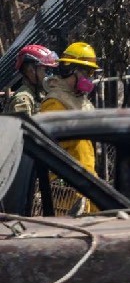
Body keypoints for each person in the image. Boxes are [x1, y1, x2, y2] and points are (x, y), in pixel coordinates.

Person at [39, 42, 100, 213]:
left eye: (91, 73)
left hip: (87, 182)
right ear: (69, 70)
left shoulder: (78, 100)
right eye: (85, 72)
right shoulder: (55, 103)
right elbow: (50, 150)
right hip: (66, 191)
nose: (88, 78)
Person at [4, 45, 58, 116]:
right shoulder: (23, 100)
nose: (51, 75)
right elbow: (22, 123)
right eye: (47, 70)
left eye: (52, 70)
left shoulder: (39, 94)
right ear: (31, 71)